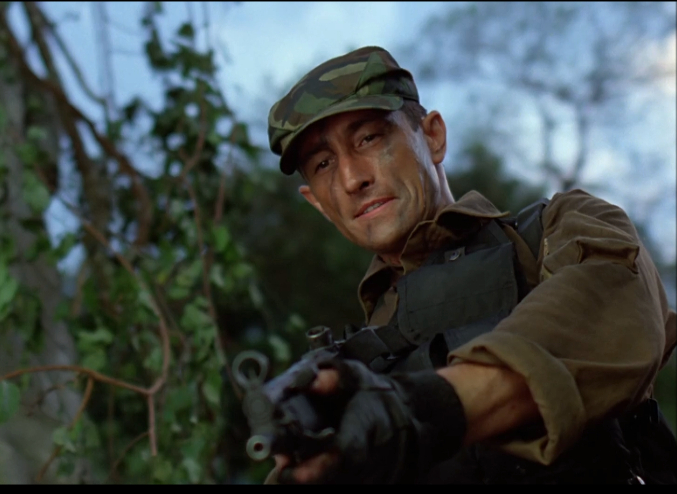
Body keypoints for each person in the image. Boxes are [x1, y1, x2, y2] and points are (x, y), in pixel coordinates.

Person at [262, 46, 677, 484]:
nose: (351, 179)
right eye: (323, 164)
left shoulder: (558, 229)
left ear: (433, 136)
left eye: (369, 139)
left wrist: (419, 411)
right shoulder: (354, 366)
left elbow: (611, 309)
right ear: (317, 203)